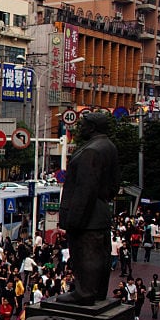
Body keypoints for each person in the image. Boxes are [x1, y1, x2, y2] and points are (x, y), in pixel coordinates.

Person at [56, 113, 120, 304]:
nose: (79, 128)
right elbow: (114, 185)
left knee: (86, 255)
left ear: (92, 127)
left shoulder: (91, 151)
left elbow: (85, 190)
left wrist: (74, 220)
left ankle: (85, 292)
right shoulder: (109, 146)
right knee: (100, 255)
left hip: (88, 217)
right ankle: (97, 291)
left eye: (82, 125)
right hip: (100, 212)